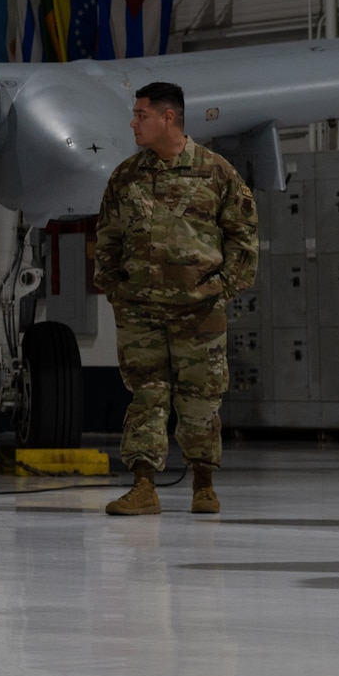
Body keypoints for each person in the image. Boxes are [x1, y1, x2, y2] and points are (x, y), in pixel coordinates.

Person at [94, 82, 256, 516]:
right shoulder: (126, 176)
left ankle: (203, 485)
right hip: (139, 312)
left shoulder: (216, 173)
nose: (133, 123)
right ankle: (143, 486)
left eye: (141, 115)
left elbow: (244, 239)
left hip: (199, 312)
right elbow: (106, 240)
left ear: (169, 118)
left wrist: (220, 289)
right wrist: (116, 290)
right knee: (146, 396)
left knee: (200, 398)